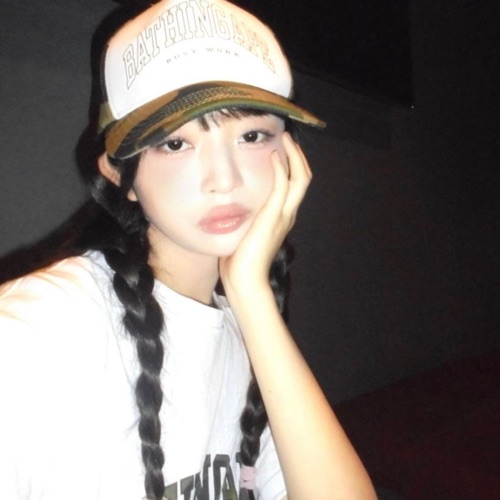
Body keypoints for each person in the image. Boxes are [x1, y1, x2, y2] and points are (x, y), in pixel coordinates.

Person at [0, 0, 376, 499]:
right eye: (176, 144)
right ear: (119, 174)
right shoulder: (36, 333)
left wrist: (252, 297)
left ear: (291, 154)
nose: (224, 179)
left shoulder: (248, 329)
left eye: (252, 135)